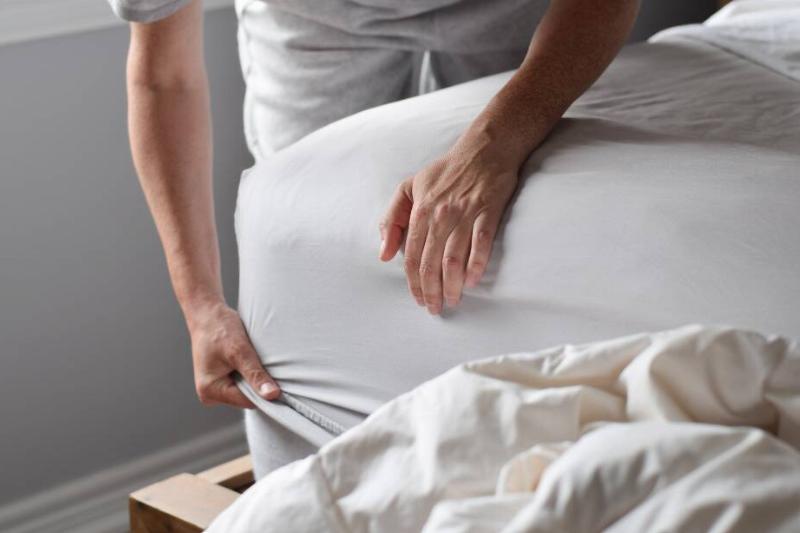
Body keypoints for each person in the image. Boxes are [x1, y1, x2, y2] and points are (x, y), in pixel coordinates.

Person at [111, 0, 638, 469]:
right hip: (314, 25)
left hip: (515, 20)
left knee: (500, 256)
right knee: (309, 265)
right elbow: (165, 78)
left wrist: (496, 144)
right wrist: (201, 304)